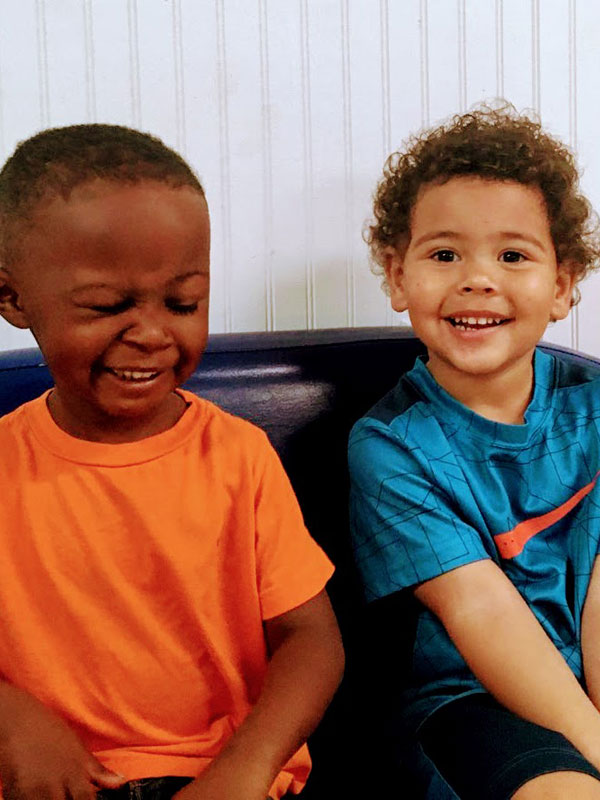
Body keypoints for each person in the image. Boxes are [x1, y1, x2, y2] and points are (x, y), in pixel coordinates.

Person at [0, 124, 344, 800]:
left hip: (220, 774)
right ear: (12, 298)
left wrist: (244, 770)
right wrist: (8, 716)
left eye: (184, 302)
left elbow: (313, 641)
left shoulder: (239, 457)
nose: (155, 333)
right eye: (108, 306)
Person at [349, 105, 600, 799]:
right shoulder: (390, 447)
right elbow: (481, 614)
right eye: (444, 254)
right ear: (399, 277)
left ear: (563, 284)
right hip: (470, 700)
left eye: (512, 255)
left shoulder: (595, 407)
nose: (477, 278)